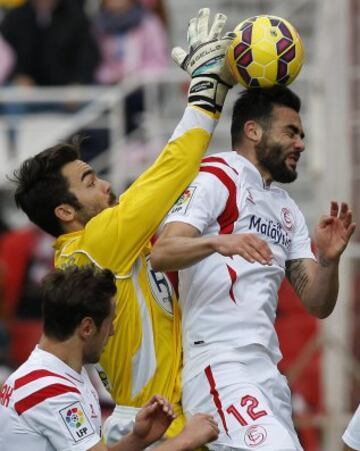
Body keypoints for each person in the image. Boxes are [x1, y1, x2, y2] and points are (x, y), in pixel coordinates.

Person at [11, 7, 235, 446]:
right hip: (159, 425)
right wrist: (207, 93)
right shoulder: (98, 243)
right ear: (65, 212)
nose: (108, 185)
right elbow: (168, 173)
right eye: (90, 182)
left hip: (169, 412)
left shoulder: (93, 250)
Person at [151, 86, 356, 450]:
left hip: (268, 371)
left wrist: (329, 260)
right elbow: (163, 252)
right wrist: (219, 241)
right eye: (291, 132)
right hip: (220, 360)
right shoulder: (217, 175)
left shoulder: (287, 208)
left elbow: (318, 304)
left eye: (302, 136)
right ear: (253, 131)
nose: (301, 144)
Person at [0, 264, 219, 450]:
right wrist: (186, 439)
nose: (112, 332)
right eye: (109, 322)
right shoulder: (48, 388)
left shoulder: (56, 375)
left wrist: (139, 438)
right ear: (87, 328)